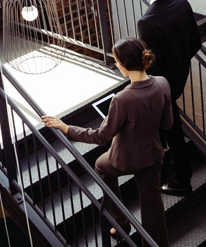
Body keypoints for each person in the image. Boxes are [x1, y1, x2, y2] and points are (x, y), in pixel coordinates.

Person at [42, 38, 172, 247]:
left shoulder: (121, 99)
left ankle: (120, 221)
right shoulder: (163, 83)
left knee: (101, 167)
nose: (116, 64)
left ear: (124, 64)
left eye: (117, 61)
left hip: (125, 159)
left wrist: (67, 128)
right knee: (153, 205)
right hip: (153, 155)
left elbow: (101, 137)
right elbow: (167, 123)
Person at [137, 0, 202, 196]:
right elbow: (195, 43)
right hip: (180, 77)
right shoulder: (183, 5)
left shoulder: (147, 21)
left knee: (173, 131)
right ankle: (163, 161)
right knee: (165, 126)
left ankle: (182, 181)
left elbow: (154, 65)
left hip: (163, 85)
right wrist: (180, 64)